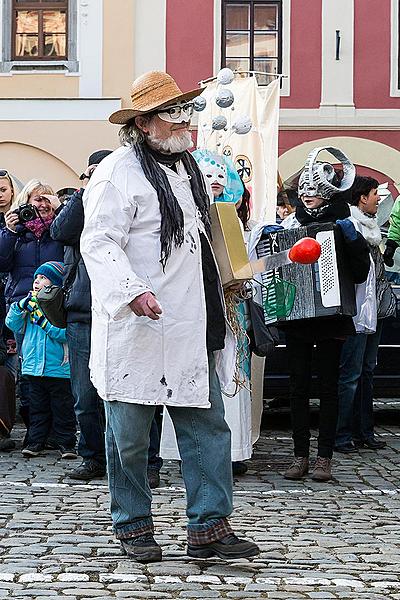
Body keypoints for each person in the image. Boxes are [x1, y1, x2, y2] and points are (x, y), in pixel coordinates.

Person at [80, 70, 260, 563]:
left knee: (207, 431)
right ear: (143, 123)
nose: (184, 121)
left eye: (185, 110)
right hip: (138, 326)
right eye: (171, 113)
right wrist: (131, 289)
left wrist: (230, 275)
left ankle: (209, 528)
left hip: (191, 323)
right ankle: (133, 524)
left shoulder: (190, 169)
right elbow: (97, 241)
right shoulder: (118, 171)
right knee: (130, 439)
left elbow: (201, 238)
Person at [281, 147, 370, 482]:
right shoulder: (290, 225)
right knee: (298, 387)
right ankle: (300, 455)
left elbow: (360, 273)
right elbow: (277, 270)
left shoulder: (345, 223)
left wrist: (354, 244)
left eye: (313, 191)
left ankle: (324, 458)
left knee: (329, 387)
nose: (307, 196)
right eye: (303, 191)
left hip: (332, 318)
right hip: (298, 318)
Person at [50, 151, 111, 481]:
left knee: (131, 394)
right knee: (85, 396)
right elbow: (60, 231)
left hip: (121, 311)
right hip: (82, 311)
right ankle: (93, 457)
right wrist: (87, 190)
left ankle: (147, 462)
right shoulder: (81, 201)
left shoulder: (125, 196)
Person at [0, 180, 64, 441]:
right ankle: (34, 432)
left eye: (45, 199)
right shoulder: (17, 233)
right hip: (24, 308)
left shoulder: (59, 231)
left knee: (59, 371)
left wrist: (60, 212)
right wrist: (10, 231)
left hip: (57, 306)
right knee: (29, 372)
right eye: (34, 200)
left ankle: (58, 432)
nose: (39, 206)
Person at [335, 176, 395, 453]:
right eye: (374, 195)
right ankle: (341, 435)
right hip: (356, 314)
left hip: (375, 312)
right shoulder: (350, 227)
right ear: (362, 198)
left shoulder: (371, 228)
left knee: (367, 373)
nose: (378, 200)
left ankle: (364, 431)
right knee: (350, 376)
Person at [5, 261, 77, 458]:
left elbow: (65, 335)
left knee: (62, 409)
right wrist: (19, 307)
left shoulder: (61, 306)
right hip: (33, 368)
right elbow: (12, 324)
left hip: (58, 369)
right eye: (36, 278)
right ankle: (35, 442)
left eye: (43, 278)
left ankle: (66, 444)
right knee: (37, 409)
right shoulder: (30, 303)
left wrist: (44, 323)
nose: (37, 282)